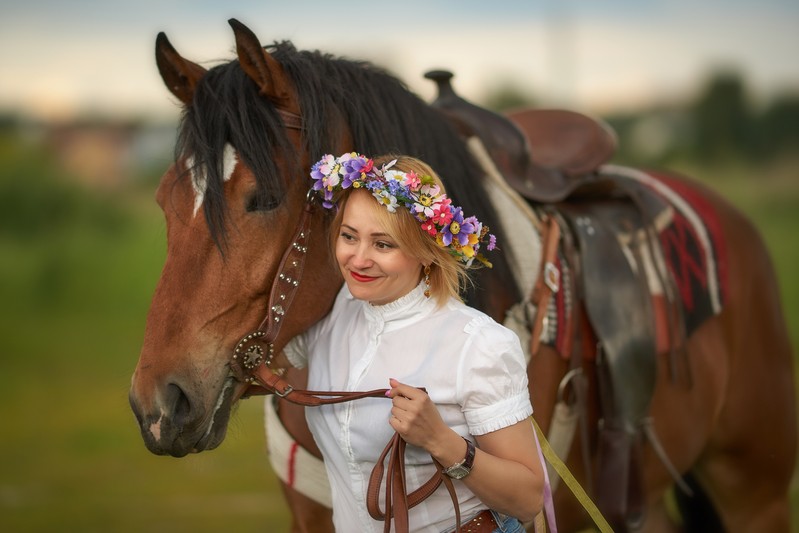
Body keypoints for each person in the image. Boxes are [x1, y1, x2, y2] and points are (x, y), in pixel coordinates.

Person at [276, 152, 544, 532]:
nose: (358, 259)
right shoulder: (335, 312)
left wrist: (441, 441)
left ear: (424, 250)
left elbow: (529, 498)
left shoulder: (480, 344)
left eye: (383, 244)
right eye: (349, 236)